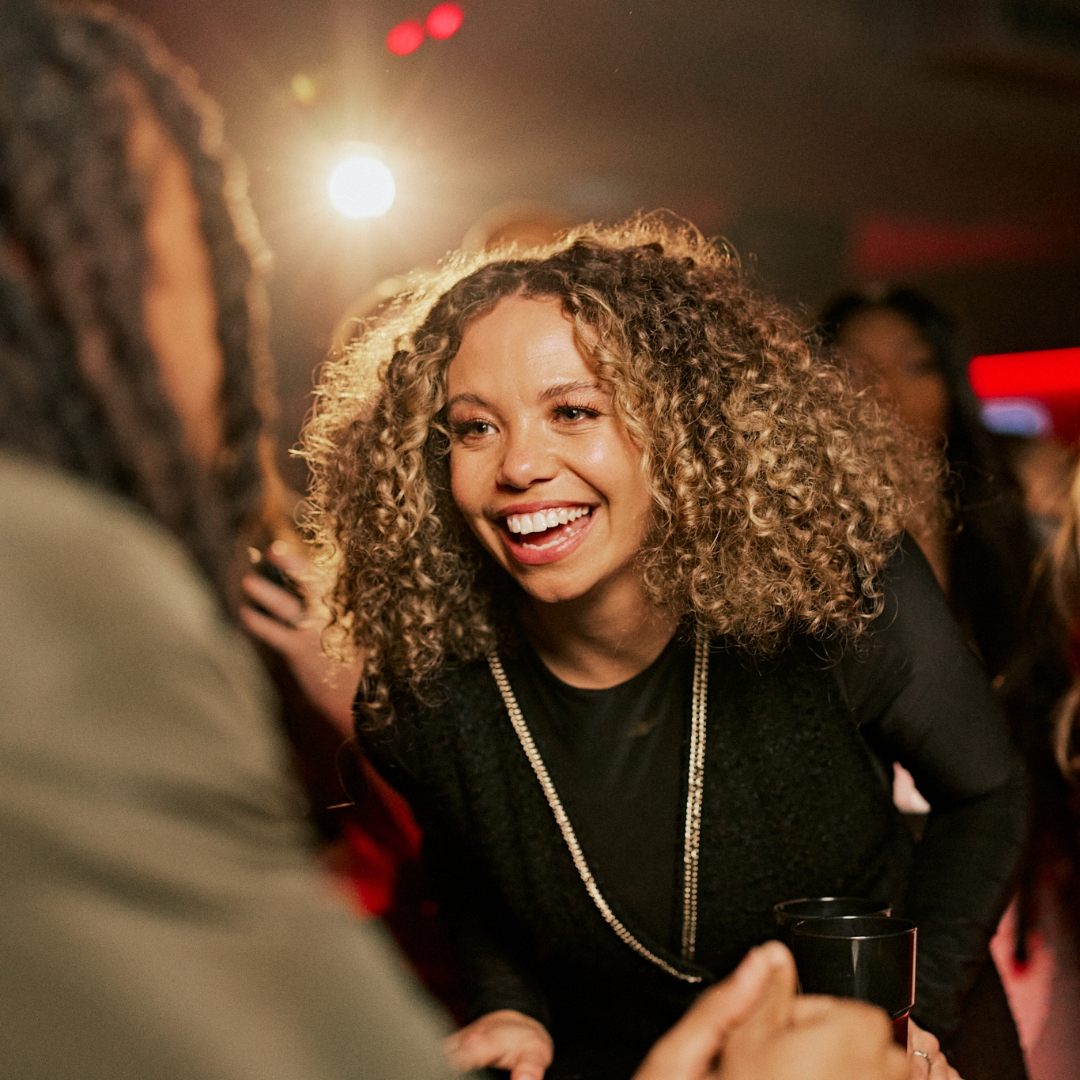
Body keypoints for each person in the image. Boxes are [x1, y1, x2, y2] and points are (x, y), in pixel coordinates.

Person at [0, 3, 934, 1079]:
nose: (225, 318)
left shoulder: (812, 602)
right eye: (474, 423)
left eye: (573, 403)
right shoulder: (66, 601)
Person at [304, 217, 1023, 1079]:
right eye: (473, 428)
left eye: (573, 411)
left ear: (680, 433)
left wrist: (910, 1018)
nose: (520, 465)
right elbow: (474, 869)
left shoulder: (838, 586)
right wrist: (514, 1007)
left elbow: (988, 795)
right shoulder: (426, 693)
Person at [819, 288, 1075, 1078]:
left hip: (1010, 870)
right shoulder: (794, 552)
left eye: (914, 365)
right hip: (860, 892)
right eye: (853, 369)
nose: (884, 390)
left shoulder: (1012, 539)